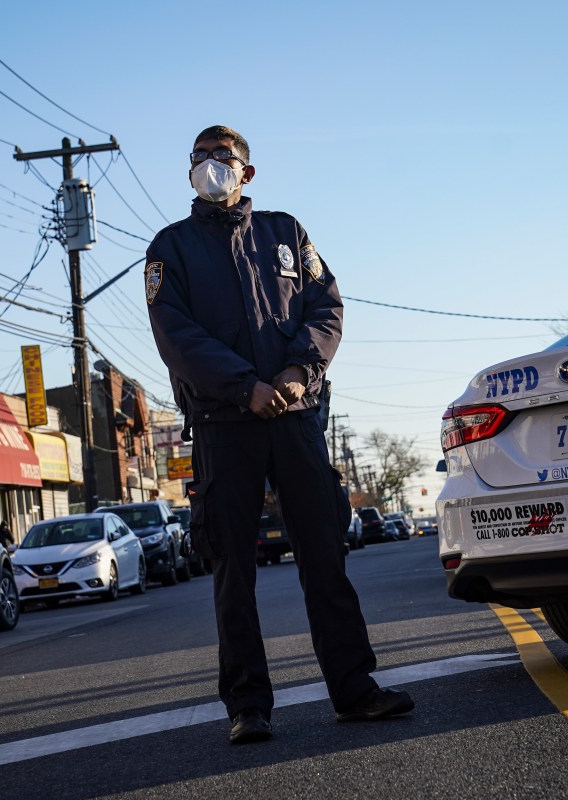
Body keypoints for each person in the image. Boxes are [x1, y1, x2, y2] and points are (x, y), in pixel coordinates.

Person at [144, 125, 413, 745]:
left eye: (223, 157)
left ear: (248, 172)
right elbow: (175, 336)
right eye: (200, 158)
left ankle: (355, 689)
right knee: (232, 568)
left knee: (324, 555)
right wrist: (245, 386)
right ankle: (248, 706)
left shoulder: (286, 232)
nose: (211, 166)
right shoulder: (170, 249)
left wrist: (297, 371)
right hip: (223, 425)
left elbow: (327, 307)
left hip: (295, 417)